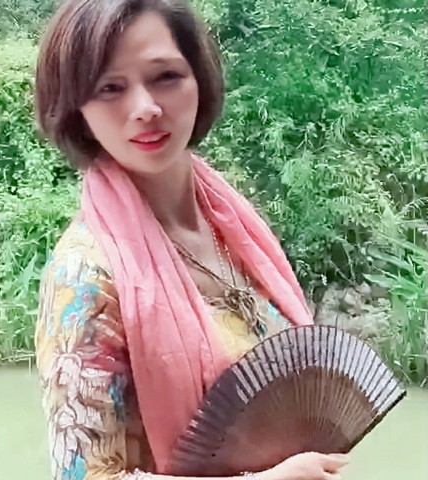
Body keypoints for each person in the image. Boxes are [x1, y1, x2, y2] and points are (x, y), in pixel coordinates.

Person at [34, 1, 350, 479]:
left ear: (199, 80)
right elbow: (83, 476)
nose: (145, 108)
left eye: (165, 77)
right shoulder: (85, 278)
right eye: (110, 88)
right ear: (78, 109)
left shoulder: (235, 228)